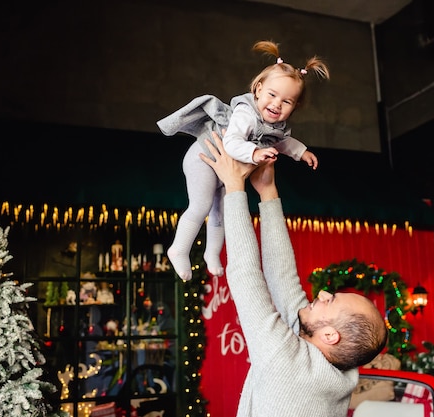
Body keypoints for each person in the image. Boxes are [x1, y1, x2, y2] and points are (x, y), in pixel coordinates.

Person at [199, 133, 388, 417]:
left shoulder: (288, 363)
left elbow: (245, 275)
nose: (322, 294)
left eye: (330, 301)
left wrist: (235, 188)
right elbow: (283, 278)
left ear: (329, 335)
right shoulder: (332, 366)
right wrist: (267, 191)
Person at [157, 40, 329, 281]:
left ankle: (212, 254)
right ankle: (179, 249)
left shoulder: (274, 125)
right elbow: (232, 142)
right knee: (201, 205)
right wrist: (255, 154)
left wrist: (301, 152)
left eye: (287, 101)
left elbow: (281, 142)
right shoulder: (245, 113)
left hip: (224, 171)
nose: (276, 104)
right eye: (272, 94)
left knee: (222, 213)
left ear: (295, 106)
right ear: (258, 89)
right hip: (203, 159)